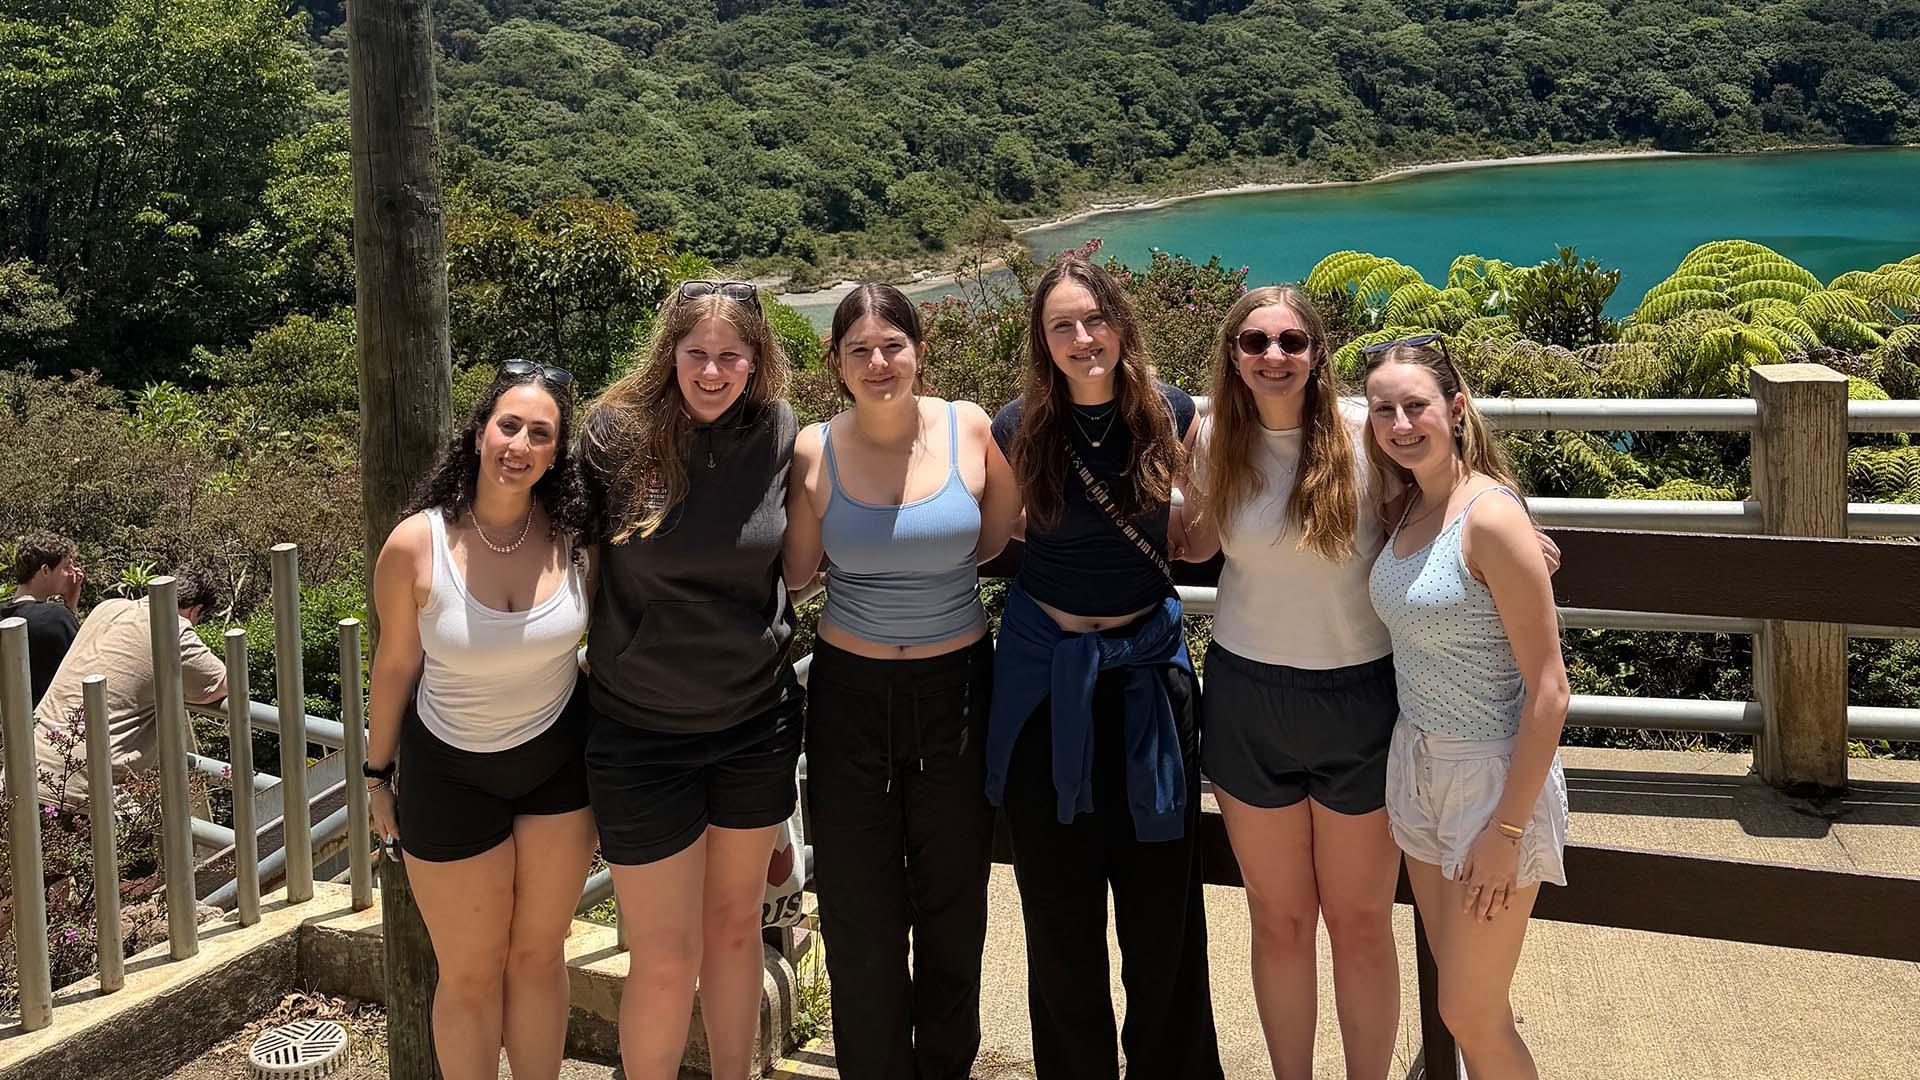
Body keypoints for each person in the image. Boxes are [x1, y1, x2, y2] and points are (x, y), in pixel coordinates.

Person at [986, 255, 1224, 1080]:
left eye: (1095, 320)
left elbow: (1198, 542)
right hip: (1048, 686)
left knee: (1164, 911)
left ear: (1121, 324)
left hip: (1147, 681)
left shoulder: (1174, 413)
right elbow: (996, 532)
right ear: (1043, 340)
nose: (1083, 339)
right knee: (1059, 915)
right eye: (1063, 326)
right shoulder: (1017, 427)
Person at [782, 284, 1020, 1079]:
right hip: (849, 696)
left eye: (893, 346)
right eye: (860, 350)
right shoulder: (813, 449)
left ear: (920, 350)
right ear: (837, 362)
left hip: (957, 690)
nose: (878, 362)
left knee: (954, 897)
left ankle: (945, 1065)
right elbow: (797, 571)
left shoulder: (970, 427)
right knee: (858, 905)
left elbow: (995, 541)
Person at [1176, 286, 1403, 1080]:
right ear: (1233, 356)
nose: (1273, 356)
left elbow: (1446, 486)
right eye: (1255, 342)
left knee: (1361, 922)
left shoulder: (1363, 433)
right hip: (1248, 699)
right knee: (1278, 920)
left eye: (1291, 342)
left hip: (1360, 698)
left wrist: (1507, 521)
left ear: (1317, 354)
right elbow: (1192, 542)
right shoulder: (1213, 440)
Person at [579, 280, 800, 1080]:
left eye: (730, 356)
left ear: (757, 359)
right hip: (640, 728)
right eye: (696, 353)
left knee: (736, 931)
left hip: (754, 719)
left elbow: (795, 555)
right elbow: (577, 564)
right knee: (665, 956)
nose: (712, 372)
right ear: (668, 353)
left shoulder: (776, 429)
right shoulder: (614, 434)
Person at [362, 361, 597, 1080]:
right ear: (478, 434)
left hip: (558, 764)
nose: (520, 444)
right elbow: (394, 667)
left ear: (556, 454)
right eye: (508, 425)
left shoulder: (576, 538)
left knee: (539, 956)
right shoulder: (415, 545)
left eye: (540, 434)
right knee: (469, 973)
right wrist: (376, 775)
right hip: (449, 773)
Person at [1363, 336, 1570, 1080]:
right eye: (1383, 410)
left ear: (1455, 408)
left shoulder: (1489, 516)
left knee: (1471, 1014)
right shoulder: (1410, 504)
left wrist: (1506, 831)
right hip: (1417, 764)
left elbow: (1550, 689)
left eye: (1416, 406)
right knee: (1468, 1000)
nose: (1400, 424)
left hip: (1489, 780)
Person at [26, 562, 225, 810]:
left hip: (25, 765)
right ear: (196, 611)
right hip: (80, 791)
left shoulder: (108, 608)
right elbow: (222, 684)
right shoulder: (173, 629)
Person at [4, 530, 84, 706]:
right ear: (45, 571)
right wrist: (69, 609)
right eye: (66, 567)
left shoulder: (5, 615)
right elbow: (81, 666)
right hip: (48, 717)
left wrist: (70, 605)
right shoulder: (56, 618)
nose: (73, 573)